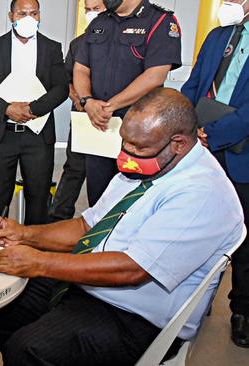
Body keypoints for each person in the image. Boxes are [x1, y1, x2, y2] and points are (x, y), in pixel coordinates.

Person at [0, 88, 244, 365]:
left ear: (178, 143)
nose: (128, 155)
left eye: (139, 147)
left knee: (28, 350)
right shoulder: (151, 164)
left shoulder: (201, 193)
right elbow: (88, 228)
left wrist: (40, 262)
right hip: (93, 282)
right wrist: (25, 234)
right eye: (125, 143)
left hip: (135, 316)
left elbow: (133, 269)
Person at [181, 0, 249, 348]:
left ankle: (242, 311)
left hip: (242, 157)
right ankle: (196, 298)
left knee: (243, 240)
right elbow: (194, 86)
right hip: (203, 151)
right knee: (197, 228)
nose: (230, 5)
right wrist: (187, 124)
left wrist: (217, 133)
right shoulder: (219, 36)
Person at [73, 0, 182, 207]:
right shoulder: (99, 23)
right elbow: (80, 69)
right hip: (100, 127)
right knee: (98, 198)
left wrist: (110, 105)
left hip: (139, 133)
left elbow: (155, 76)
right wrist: (87, 101)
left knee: (134, 202)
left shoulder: (160, 22)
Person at [0, 0, 69, 226]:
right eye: (22, 13)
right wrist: (7, 109)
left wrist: (32, 109)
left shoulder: (52, 48)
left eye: (34, 13)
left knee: (38, 199)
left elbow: (61, 89)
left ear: (39, 16)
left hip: (37, 136)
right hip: (2, 135)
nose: (28, 18)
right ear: (11, 16)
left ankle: (32, 250)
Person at [48, 0, 106, 222]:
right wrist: (82, 101)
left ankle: (101, 221)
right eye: (87, 10)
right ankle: (57, 218)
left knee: (106, 173)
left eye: (96, 9)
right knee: (74, 167)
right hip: (82, 118)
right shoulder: (78, 44)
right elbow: (67, 79)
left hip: (110, 120)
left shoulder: (117, 43)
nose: (91, 14)